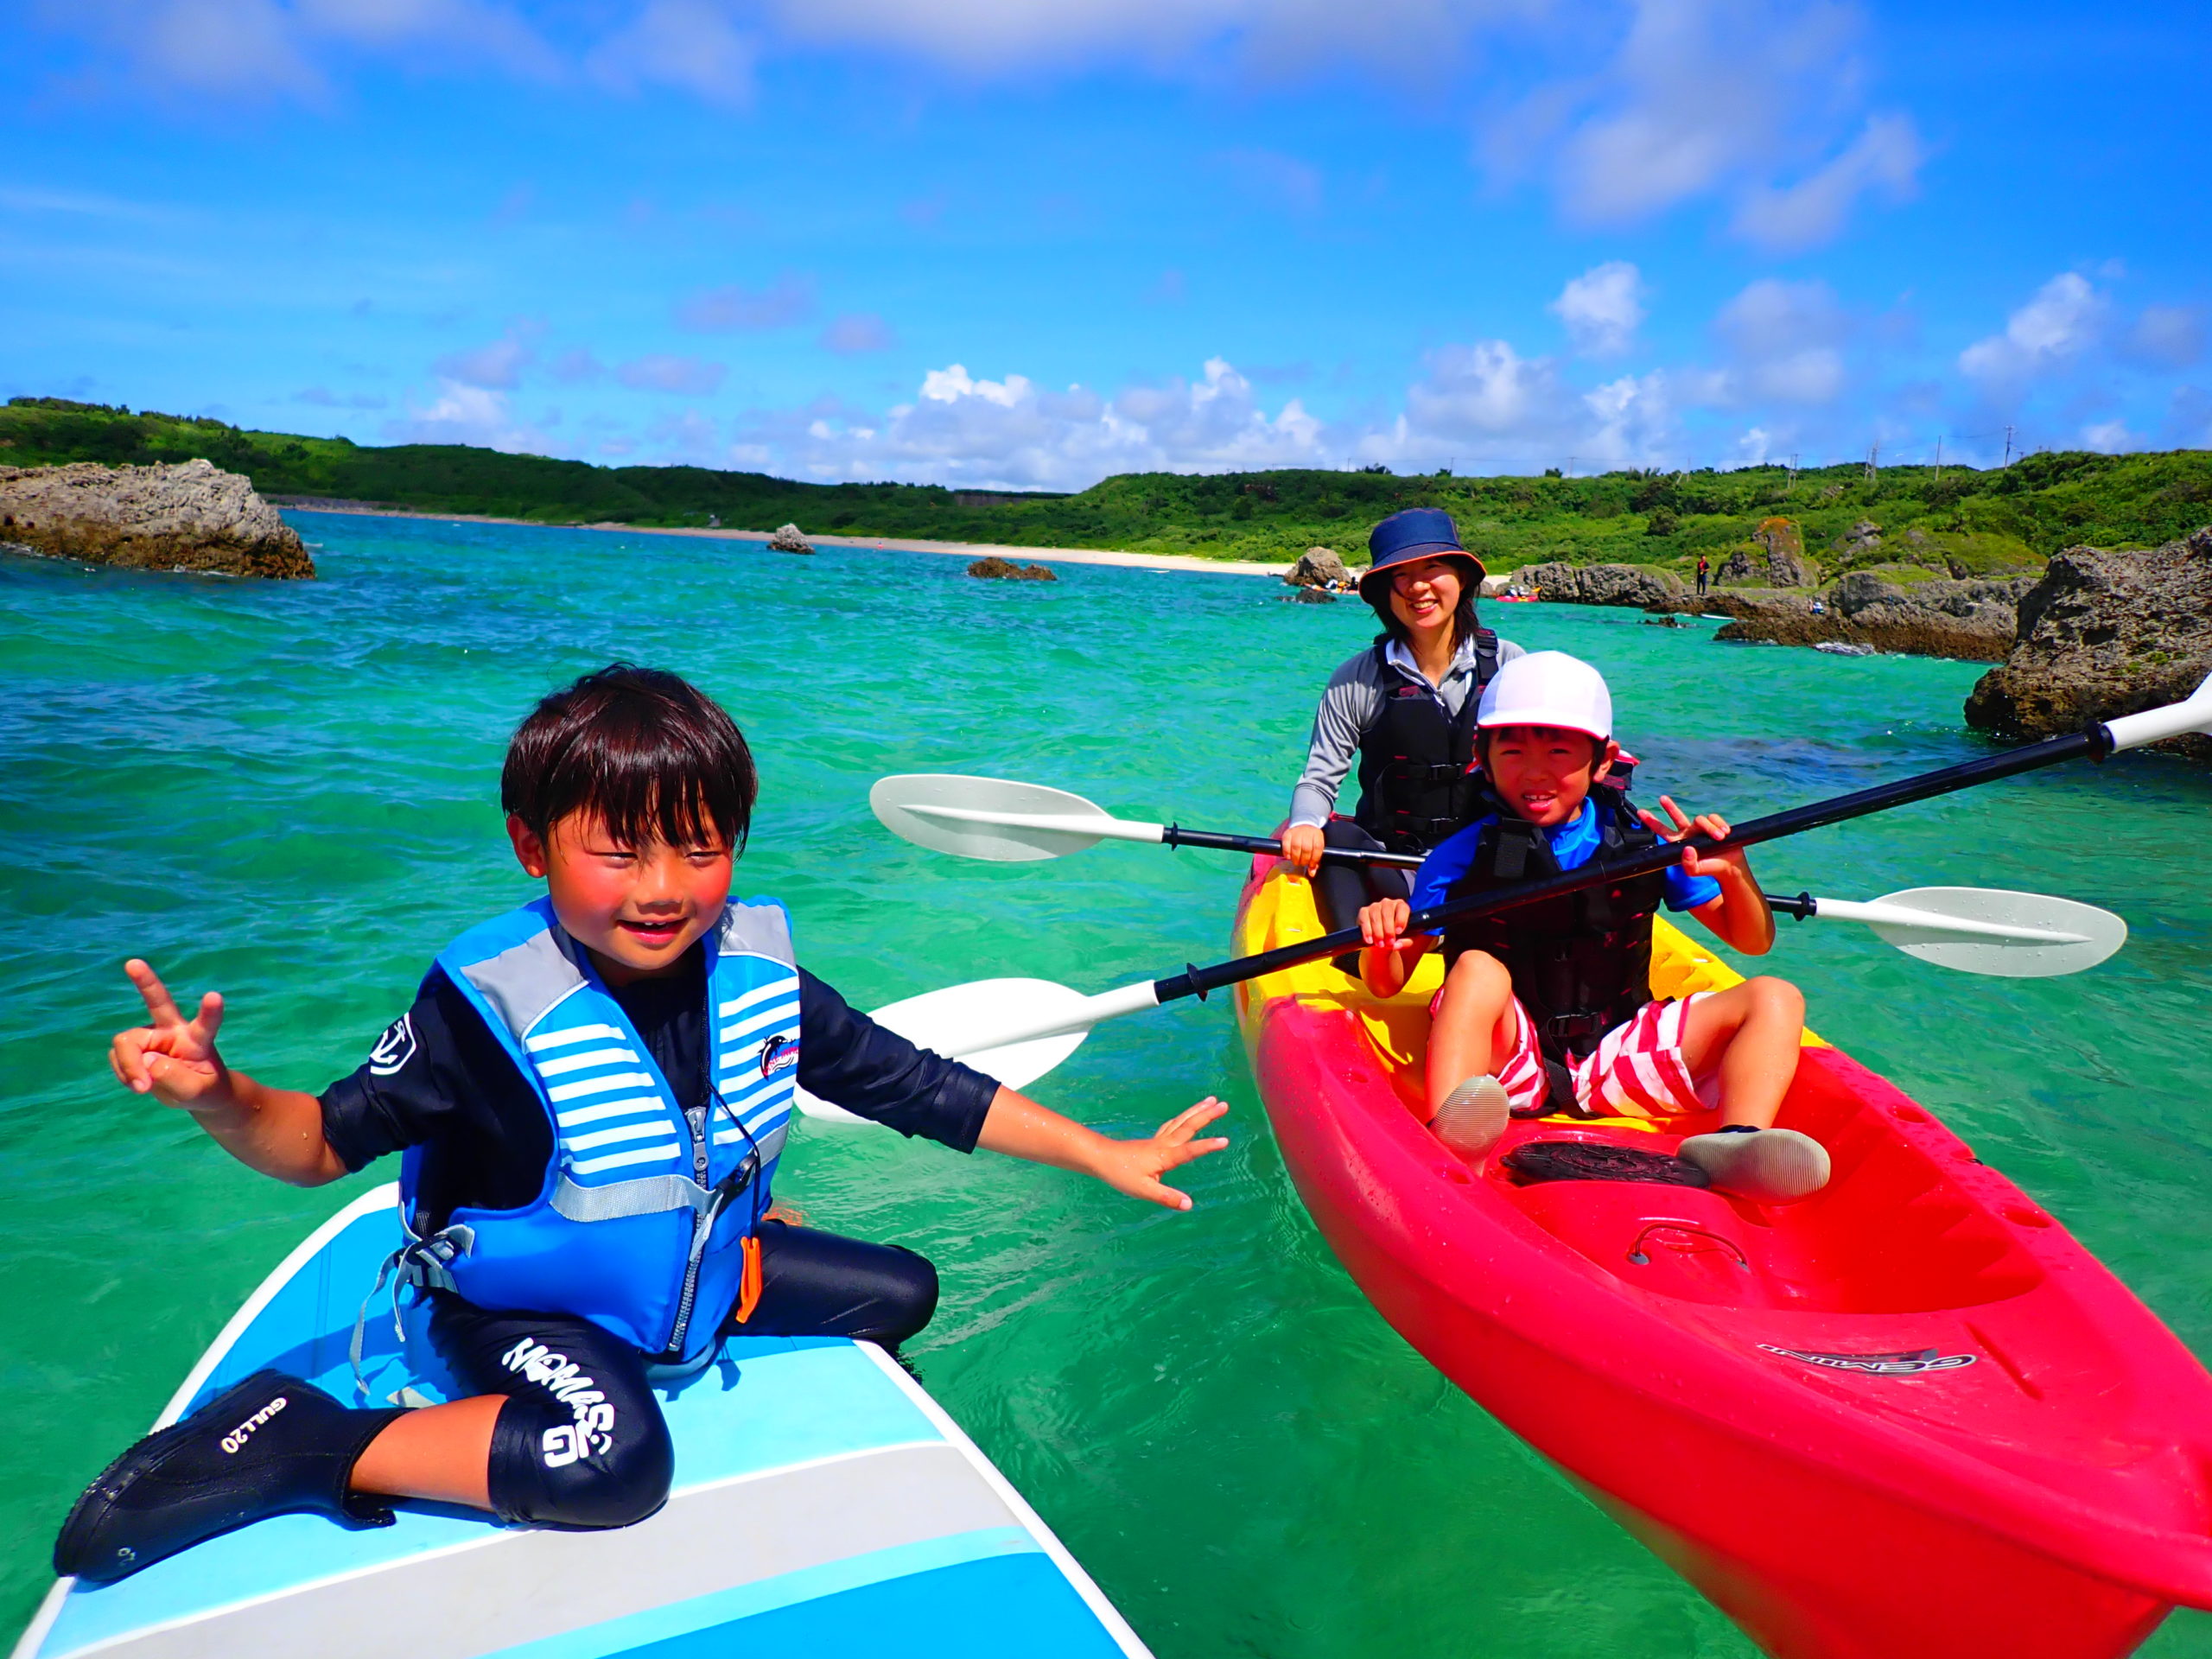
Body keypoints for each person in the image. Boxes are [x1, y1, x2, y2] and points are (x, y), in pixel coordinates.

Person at [60, 664, 1229, 1585]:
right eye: (618, 851)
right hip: (515, 1310)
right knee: (615, 1464)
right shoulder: (486, 1006)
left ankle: (720, 1266)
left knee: (902, 1292)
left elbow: (911, 1083)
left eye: (700, 845)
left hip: (692, 1282)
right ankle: (321, 1443)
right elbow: (318, 1144)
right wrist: (220, 1095)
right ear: (534, 845)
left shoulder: (755, 974)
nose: (663, 886)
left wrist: (1099, 1152)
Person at [1352, 652, 1827, 1204]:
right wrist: (1383, 937)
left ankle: (1736, 1142)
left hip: (1617, 1052)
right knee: (1476, 969)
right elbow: (1386, 981)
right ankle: (1451, 1140)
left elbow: (1753, 941)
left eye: (1559, 752)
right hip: (1509, 1066)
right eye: (1512, 752)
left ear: (1601, 762)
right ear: (1481, 756)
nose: (1534, 773)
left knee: (1777, 997)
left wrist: (1735, 872)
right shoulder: (1458, 856)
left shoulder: (1646, 846)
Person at [1280, 508, 1525, 963]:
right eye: (1401, 576)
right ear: (1385, 594)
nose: (1418, 587)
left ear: (1461, 578)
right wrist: (1304, 824)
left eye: (1432, 568)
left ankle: (1489, 947)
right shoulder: (1355, 679)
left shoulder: (1513, 667)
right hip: (1390, 865)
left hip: (1484, 867)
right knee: (1338, 841)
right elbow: (1319, 779)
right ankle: (1362, 961)